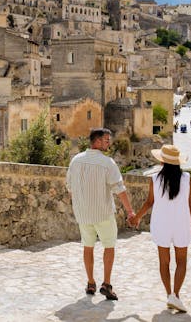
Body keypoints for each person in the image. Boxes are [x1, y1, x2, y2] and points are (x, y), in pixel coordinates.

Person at [66, 128, 136, 300]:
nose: (109, 143)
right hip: (103, 212)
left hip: (83, 213)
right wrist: (130, 211)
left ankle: (90, 283)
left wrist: (80, 204)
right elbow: (120, 189)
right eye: (106, 140)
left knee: (88, 246)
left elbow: (69, 186)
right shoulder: (107, 163)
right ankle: (106, 283)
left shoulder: (76, 160)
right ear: (96, 141)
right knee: (109, 246)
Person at [132, 144, 191, 312]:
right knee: (181, 262)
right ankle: (176, 295)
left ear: (162, 161)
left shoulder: (154, 179)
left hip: (161, 224)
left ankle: (169, 295)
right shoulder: (187, 178)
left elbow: (149, 203)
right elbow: (190, 204)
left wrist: (136, 217)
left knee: (164, 262)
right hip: (182, 222)